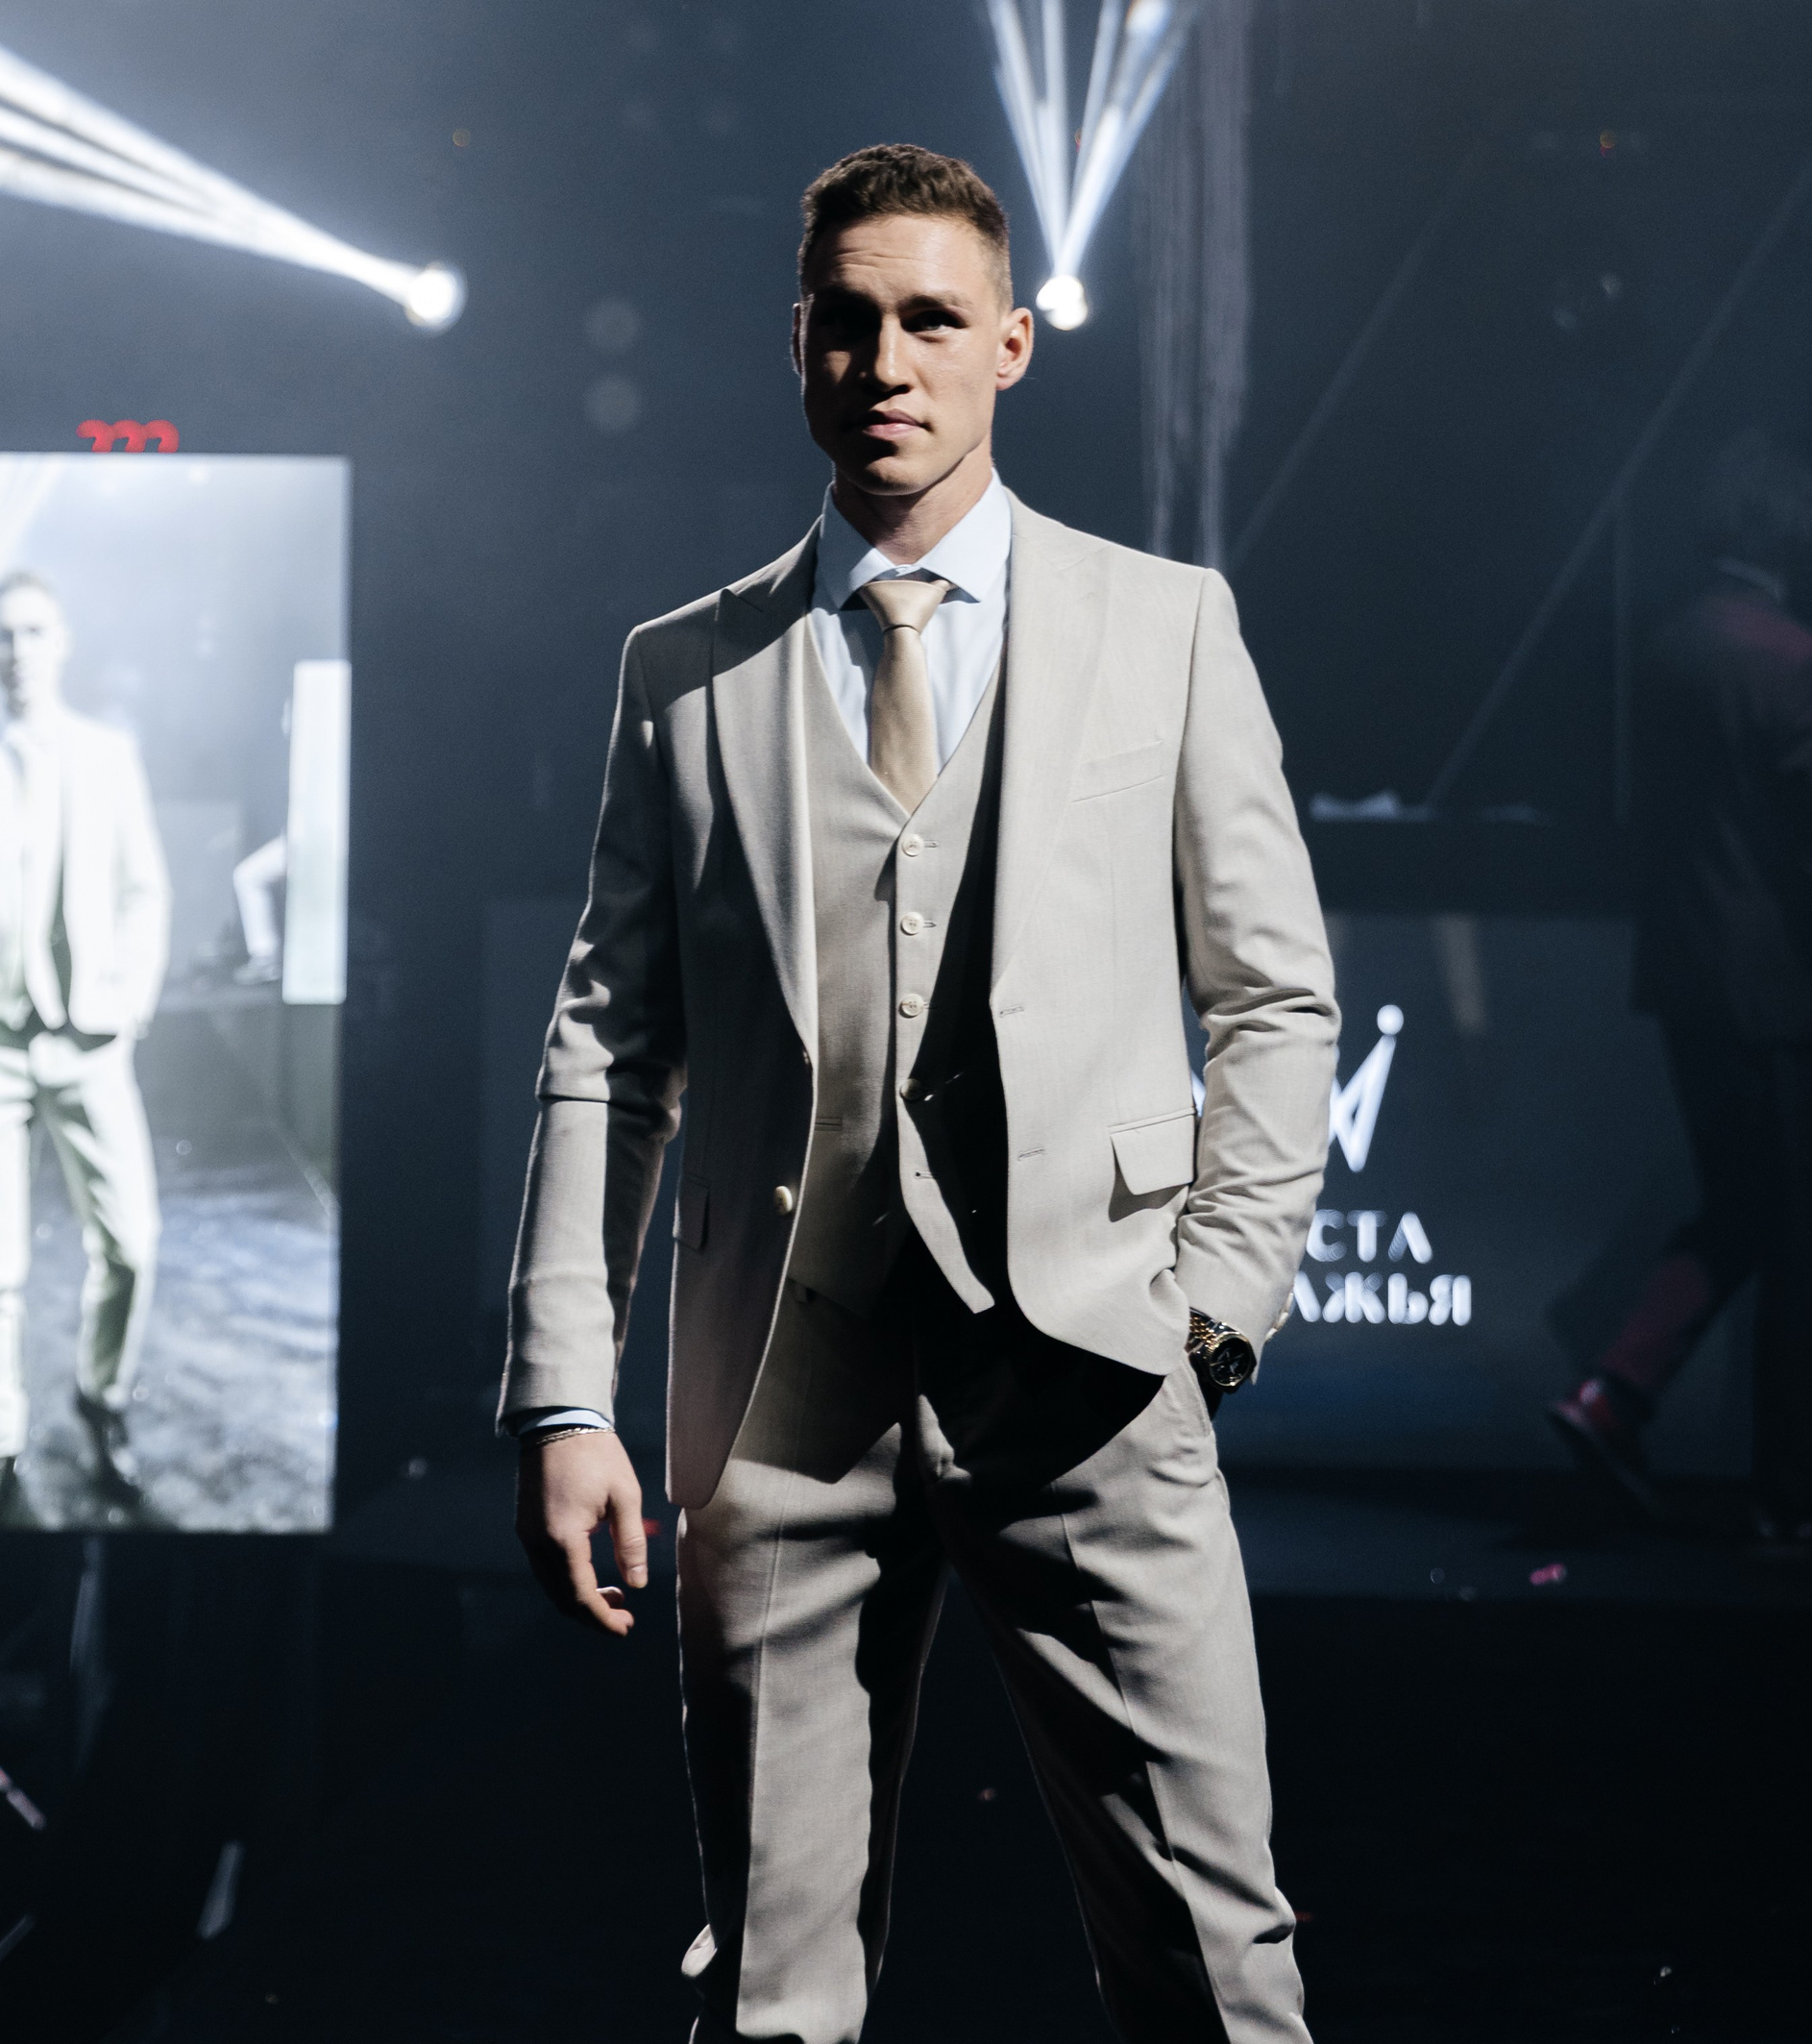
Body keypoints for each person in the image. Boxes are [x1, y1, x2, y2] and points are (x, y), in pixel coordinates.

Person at [505, 144, 1340, 2043]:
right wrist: (563, 1392)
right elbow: (607, 1048)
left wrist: (1215, 1307)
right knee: (775, 1998)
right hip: (776, 1397)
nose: (888, 361)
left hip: (1092, 1375)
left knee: (1217, 1968)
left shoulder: (1162, 624)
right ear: (796, 344)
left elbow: (1276, 996)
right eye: (850, 320)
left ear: (1011, 345)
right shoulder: (682, 673)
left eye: (934, 321)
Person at [1550, 431, 1812, 1540]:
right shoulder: (1787, 660)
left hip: (1685, 977)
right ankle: (1785, 1497)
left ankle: (1618, 1390)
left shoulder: (1670, 648)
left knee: (1747, 1208)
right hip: (1773, 992)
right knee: (1789, 1236)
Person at [0, 573, 169, 1522]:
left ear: (62, 641)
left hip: (89, 1040)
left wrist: (125, 1006)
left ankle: (102, 1398)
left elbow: (144, 890)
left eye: (34, 632)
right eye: (4, 635)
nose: (19, 651)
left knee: (131, 1245)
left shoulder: (106, 757)